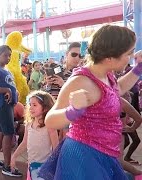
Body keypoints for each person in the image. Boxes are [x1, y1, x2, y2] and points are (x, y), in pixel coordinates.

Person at [39, 25, 140, 179]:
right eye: (129, 53)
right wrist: (73, 111)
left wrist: (138, 69)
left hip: (103, 153)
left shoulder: (105, 73)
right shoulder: (81, 81)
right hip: (84, 157)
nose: (132, 56)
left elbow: (117, 88)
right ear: (109, 58)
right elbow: (50, 120)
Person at [0, 45, 22, 177]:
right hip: (2, 105)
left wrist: (13, 90)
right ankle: (7, 166)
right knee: (9, 133)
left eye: (9, 55)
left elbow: (7, 84)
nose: (8, 58)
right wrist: (6, 90)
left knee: (2, 131)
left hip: (7, 105)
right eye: (6, 55)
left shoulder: (4, 69)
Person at [11, 91, 59, 180]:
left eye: (34, 105)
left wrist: (54, 165)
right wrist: (14, 156)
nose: (30, 108)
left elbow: (56, 147)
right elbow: (24, 142)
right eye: (30, 105)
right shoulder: (29, 124)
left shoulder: (49, 125)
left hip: (44, 166)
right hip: (31, 165)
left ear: (45, 108)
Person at [119, 96, 142, 178]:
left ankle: (138, 174)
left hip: (118, 135)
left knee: (118, 160)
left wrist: (131, 128)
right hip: (102, 136)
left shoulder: (121, 100)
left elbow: (138, 118)